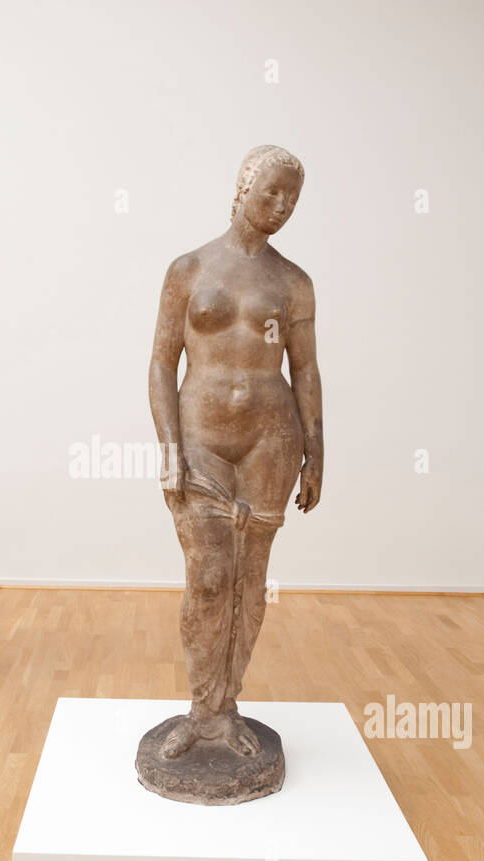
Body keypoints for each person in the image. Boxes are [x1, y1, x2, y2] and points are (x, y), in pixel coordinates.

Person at [148, 144, 322, 759]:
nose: (280, 206)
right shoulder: (188, 270)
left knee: (250, 579)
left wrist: (317, 453)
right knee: (209, 577)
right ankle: (202, 709)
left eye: (292, 199)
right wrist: (170, 448)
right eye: (270, 192)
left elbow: (305, 371)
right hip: (202, 437)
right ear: (243, 186)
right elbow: (162, 363)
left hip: (271, 441)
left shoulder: (293, 282)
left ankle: (228, 708)